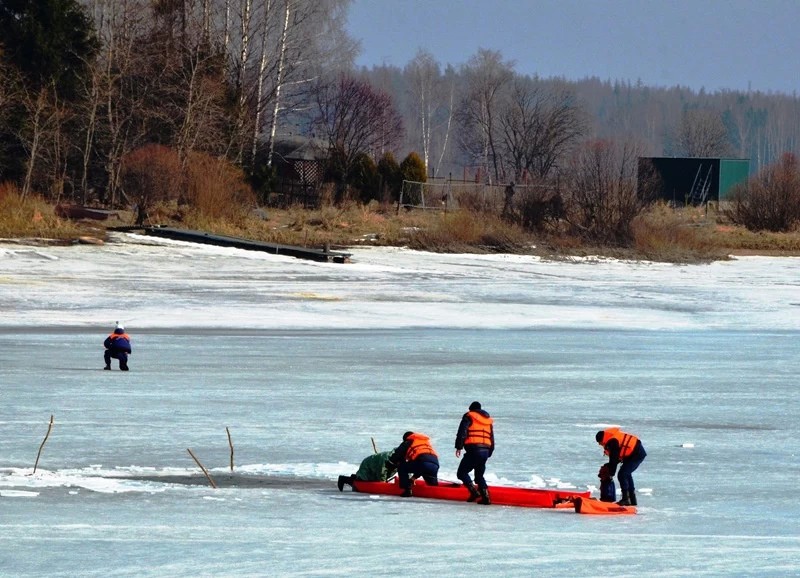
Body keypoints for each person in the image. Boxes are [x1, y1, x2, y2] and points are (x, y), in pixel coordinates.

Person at [455, 401, 494, 505]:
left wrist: (459, 447)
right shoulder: (487, 420)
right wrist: (489, 452)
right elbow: (491, 437)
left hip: (473, 449)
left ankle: (474, 492)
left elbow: (462, 432)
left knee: (461, 473)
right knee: (479, 476)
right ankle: (486, 498)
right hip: (485, 450)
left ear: (471, 409)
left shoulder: (469, 416)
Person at [596, 427, 646, 506]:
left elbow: (614, 458)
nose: (600, 444)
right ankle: (632, 500)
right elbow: (615, 459)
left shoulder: (612, 442)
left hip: (637, 453)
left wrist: (611, 473)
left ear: (602, 440)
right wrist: (609, 466)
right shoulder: (612, 440)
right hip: (632, 454)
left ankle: (626, 499)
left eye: (599, 442)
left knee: (622, 474)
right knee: (626, 474)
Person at [387, 431, 439, 497]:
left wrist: (390, 462)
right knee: (432, 484)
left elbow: (398, 453)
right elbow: (422, 467)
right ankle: (437, 491)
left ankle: (407, 490)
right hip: (435, 464)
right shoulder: (424, 442)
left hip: (423, 463)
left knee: (402, 467)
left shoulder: (409, 441)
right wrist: (414, 478)